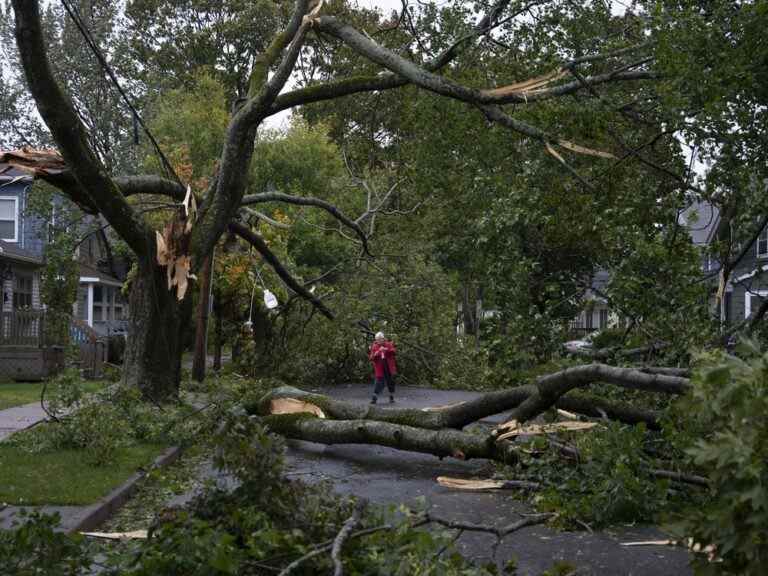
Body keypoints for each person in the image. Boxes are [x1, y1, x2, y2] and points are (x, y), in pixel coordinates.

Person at [369, 331, 397, 404]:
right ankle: (374, 398)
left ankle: (391, 396)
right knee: (379, 382)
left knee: (390, 381)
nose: (378, 341)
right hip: (379, 367)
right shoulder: (374, 346)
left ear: (383, 338)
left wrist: (386, 350)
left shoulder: (388, 344)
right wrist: (377, 352)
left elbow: (394, 352)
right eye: (377, 339)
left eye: (380, 339)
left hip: (388, 366)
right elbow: (371, 358)